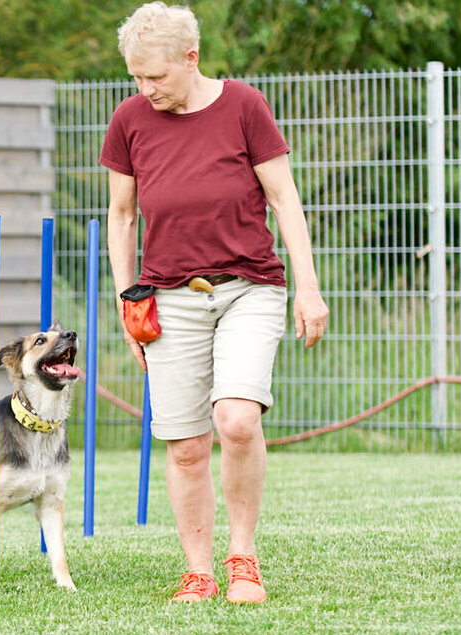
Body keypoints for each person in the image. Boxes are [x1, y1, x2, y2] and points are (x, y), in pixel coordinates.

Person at [100, 1, 328, 604]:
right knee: (185, 444)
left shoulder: (245, 107)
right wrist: (128, 300)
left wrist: (308, 289)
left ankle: (243, 558)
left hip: (249, 287)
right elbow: (121, 217)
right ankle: (197, 570)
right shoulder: (130, 120)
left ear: (191, 57)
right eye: (137, 78)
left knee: (237, 419)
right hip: (167, 297)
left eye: (158, 77)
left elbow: (285, 201)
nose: (147, 89)